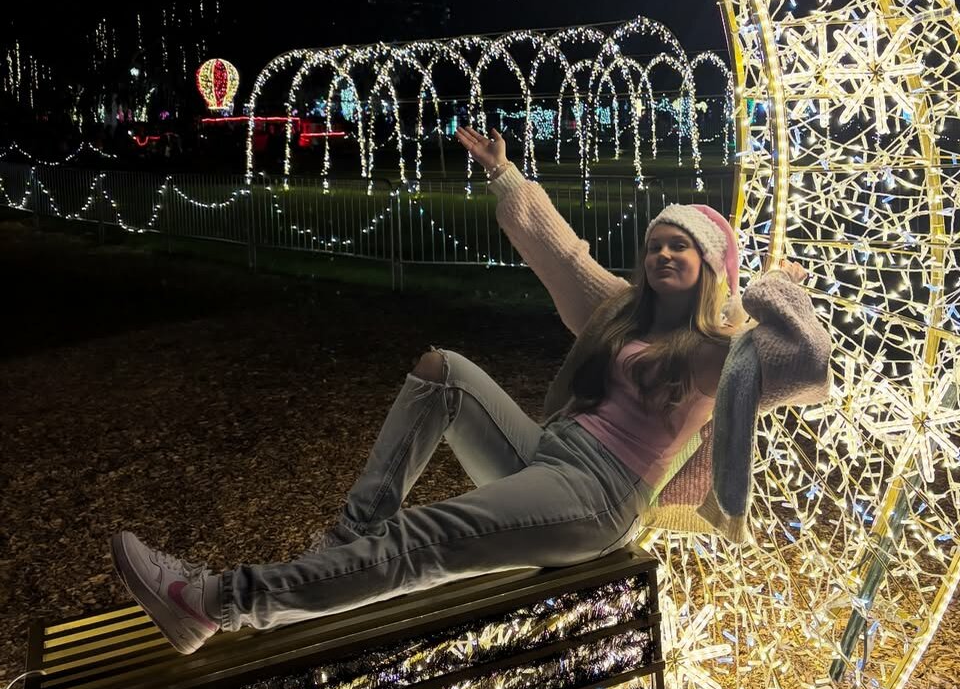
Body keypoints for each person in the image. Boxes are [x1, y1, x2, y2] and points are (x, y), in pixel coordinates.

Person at [110, 126, 826, 655]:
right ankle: (354, 533)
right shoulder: (620, 310)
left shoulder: (720, 353)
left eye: (682, 245)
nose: (664, 253)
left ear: (713, 265)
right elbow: (561, 252)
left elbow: (804, 363)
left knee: (422, 541)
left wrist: (772, 290)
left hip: (598, 497)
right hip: (548, 453)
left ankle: (213, 602)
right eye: (656, 244)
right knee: (441, 372)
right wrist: (505, 175)